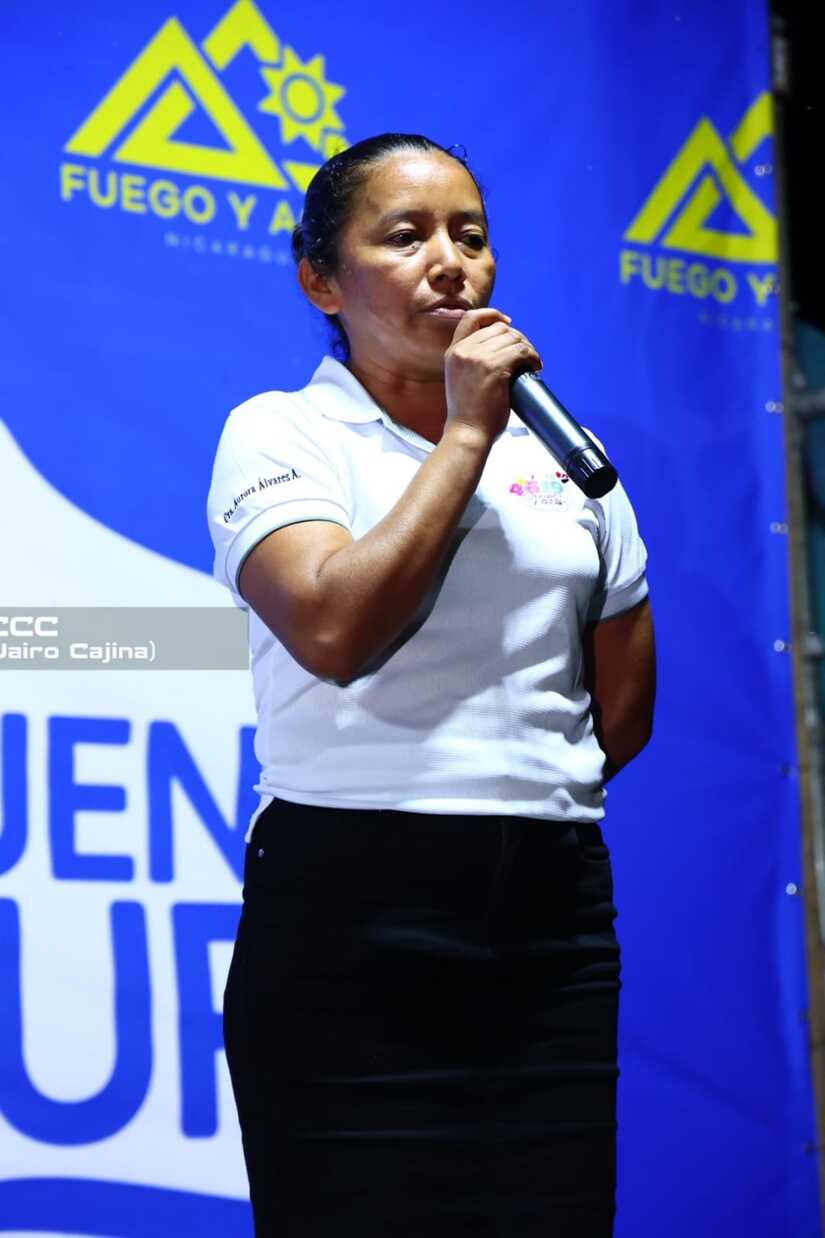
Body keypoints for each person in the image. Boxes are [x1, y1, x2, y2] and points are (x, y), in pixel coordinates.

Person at [206, 132, 655, 1238]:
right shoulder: (281, 431)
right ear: (321, 281)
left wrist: (514, 790)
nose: (450, 262)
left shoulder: (568, 454)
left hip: (548, 921)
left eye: (471, 235)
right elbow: (334, 628)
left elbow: (619, 709)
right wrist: (466, 435)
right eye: (405, 237)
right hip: (348, 915)